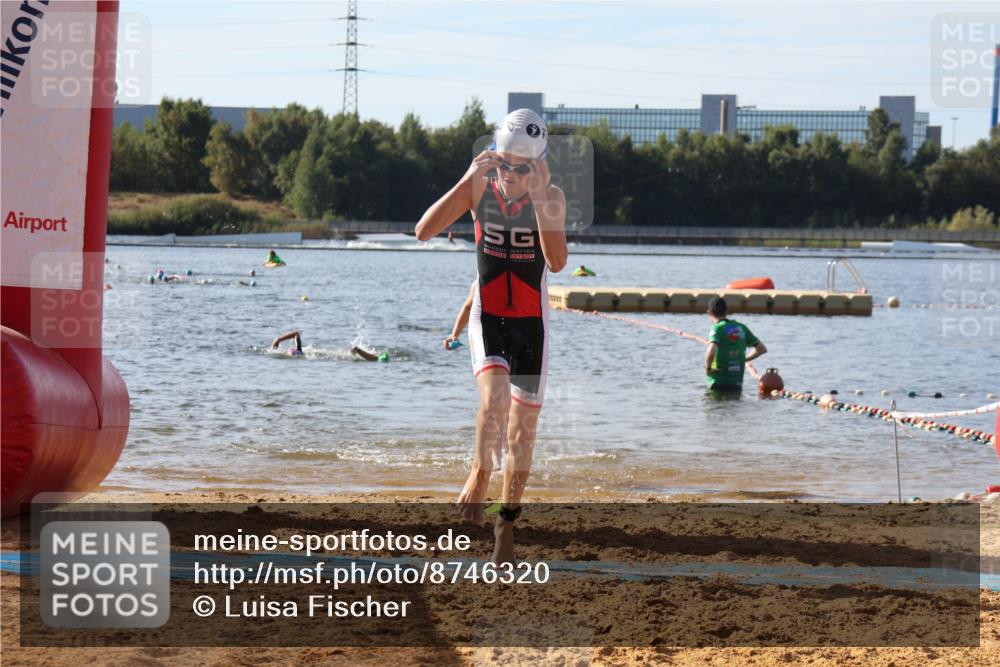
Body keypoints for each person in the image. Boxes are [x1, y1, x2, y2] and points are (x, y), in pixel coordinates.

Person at [415, 108, 567, 560]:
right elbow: (423, 231)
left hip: (531, 326)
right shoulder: (479, 185)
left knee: (522, 432)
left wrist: (539, 199)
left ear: (540, 165)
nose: (511, 175)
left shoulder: (551, 196)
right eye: (503, 163)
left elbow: (556, 261)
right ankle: (481, 472)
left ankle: (507, 521)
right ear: (492, 157)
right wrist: (466, 177)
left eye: (523, 168)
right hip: (489, 317)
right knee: (493, 400)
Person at [705, 297, 767, 392]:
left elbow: (711, 351)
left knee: (714, 406)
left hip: (717, 382)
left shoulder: (717, 328)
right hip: (736, 383)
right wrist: (743, 359)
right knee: (734, 405)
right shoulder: (742, 328)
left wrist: (708, 368)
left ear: (709, 312)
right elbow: (761, 349)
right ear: (727, 311)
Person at [443, 281, 477, 350]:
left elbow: (468, 307)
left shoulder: (479, 282)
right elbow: (468, 307)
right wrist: (454, 335)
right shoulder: (479, 283)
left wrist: (454, 335)